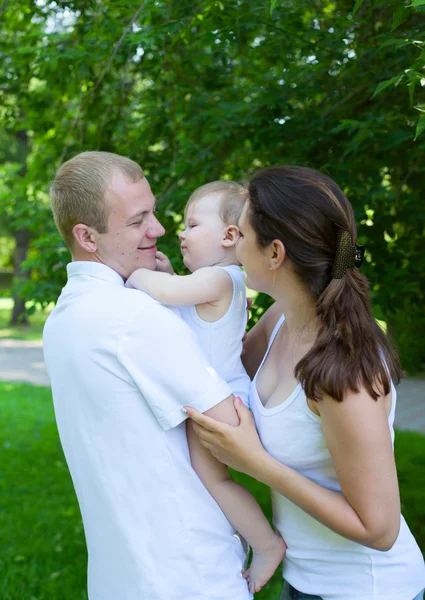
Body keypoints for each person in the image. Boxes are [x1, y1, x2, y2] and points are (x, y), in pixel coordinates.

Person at [186, 166, 425, 600]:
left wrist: (257, 463)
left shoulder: (347, 368)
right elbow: (217, 367)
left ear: (275, 252)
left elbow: (380, 528)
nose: (233, 245)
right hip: (302, 583)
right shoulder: (281, 319)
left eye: (239, 234)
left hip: (367, 590)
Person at [42, 151, 255, 600]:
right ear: (87, 236)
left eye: (153, 211)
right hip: (189, 574)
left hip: (121, 575)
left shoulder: (62, 317)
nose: (158, 229)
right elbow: (234, 431)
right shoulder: (134, 317)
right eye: (139, 220)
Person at [126, 180, 286, 593]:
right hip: (214, 394)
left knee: (215, 480)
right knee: (206, 479)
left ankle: (266, 544)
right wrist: (167, 274)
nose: (181, 232)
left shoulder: (223, 279)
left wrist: (138, 273)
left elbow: (173, 293)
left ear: (230, 236)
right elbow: (182, 303)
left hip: (220, 399)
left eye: (193, 224)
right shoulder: (216, 281)